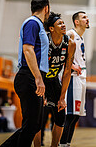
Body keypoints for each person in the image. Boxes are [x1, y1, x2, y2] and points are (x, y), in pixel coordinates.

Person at [0, 0, 50, 147]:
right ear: (46, 8)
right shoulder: (32, 23)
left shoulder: (39, 25)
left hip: (34, 77)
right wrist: (38, 78)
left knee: (34, 124)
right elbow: (28, 50)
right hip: (29, 76)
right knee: (32, 124)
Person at [34, 12, 76, 147]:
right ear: (51, 28)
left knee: (60, 116)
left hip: (54, 81)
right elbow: (37, 67)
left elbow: (67, 71)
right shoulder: (43, 42)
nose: (63, 25)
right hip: (40, 81)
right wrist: (41, 91)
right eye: (60, 23)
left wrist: (62, 97)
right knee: (39, 119)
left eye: (63, 23)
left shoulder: (70, 43)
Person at [60, 11, 89, 147]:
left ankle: (67, 144)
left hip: (81, 78)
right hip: (73, 78)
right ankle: (61, 144)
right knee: (70, 115)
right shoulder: (70, 34)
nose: (87, 19)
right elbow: (59, 50)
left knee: (76, 116)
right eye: (84, 17)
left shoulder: (80, 37)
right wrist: (71, 65)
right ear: (76, 22)